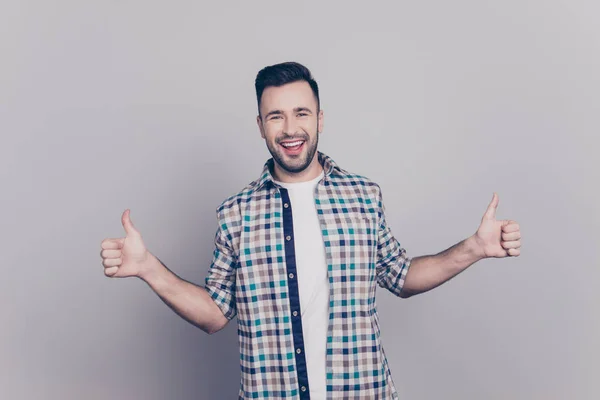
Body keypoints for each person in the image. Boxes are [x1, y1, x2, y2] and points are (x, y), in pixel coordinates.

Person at [99, 62, 522, 399]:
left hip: (363, 392)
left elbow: (402, 277)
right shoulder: (236, 214)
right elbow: (214, 314)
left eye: (301, 113)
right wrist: (148, 267)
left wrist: (475, 247)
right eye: (276, 116)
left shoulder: (363, 196)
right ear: (261, 125)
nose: (290, 129)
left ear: (319, 118)